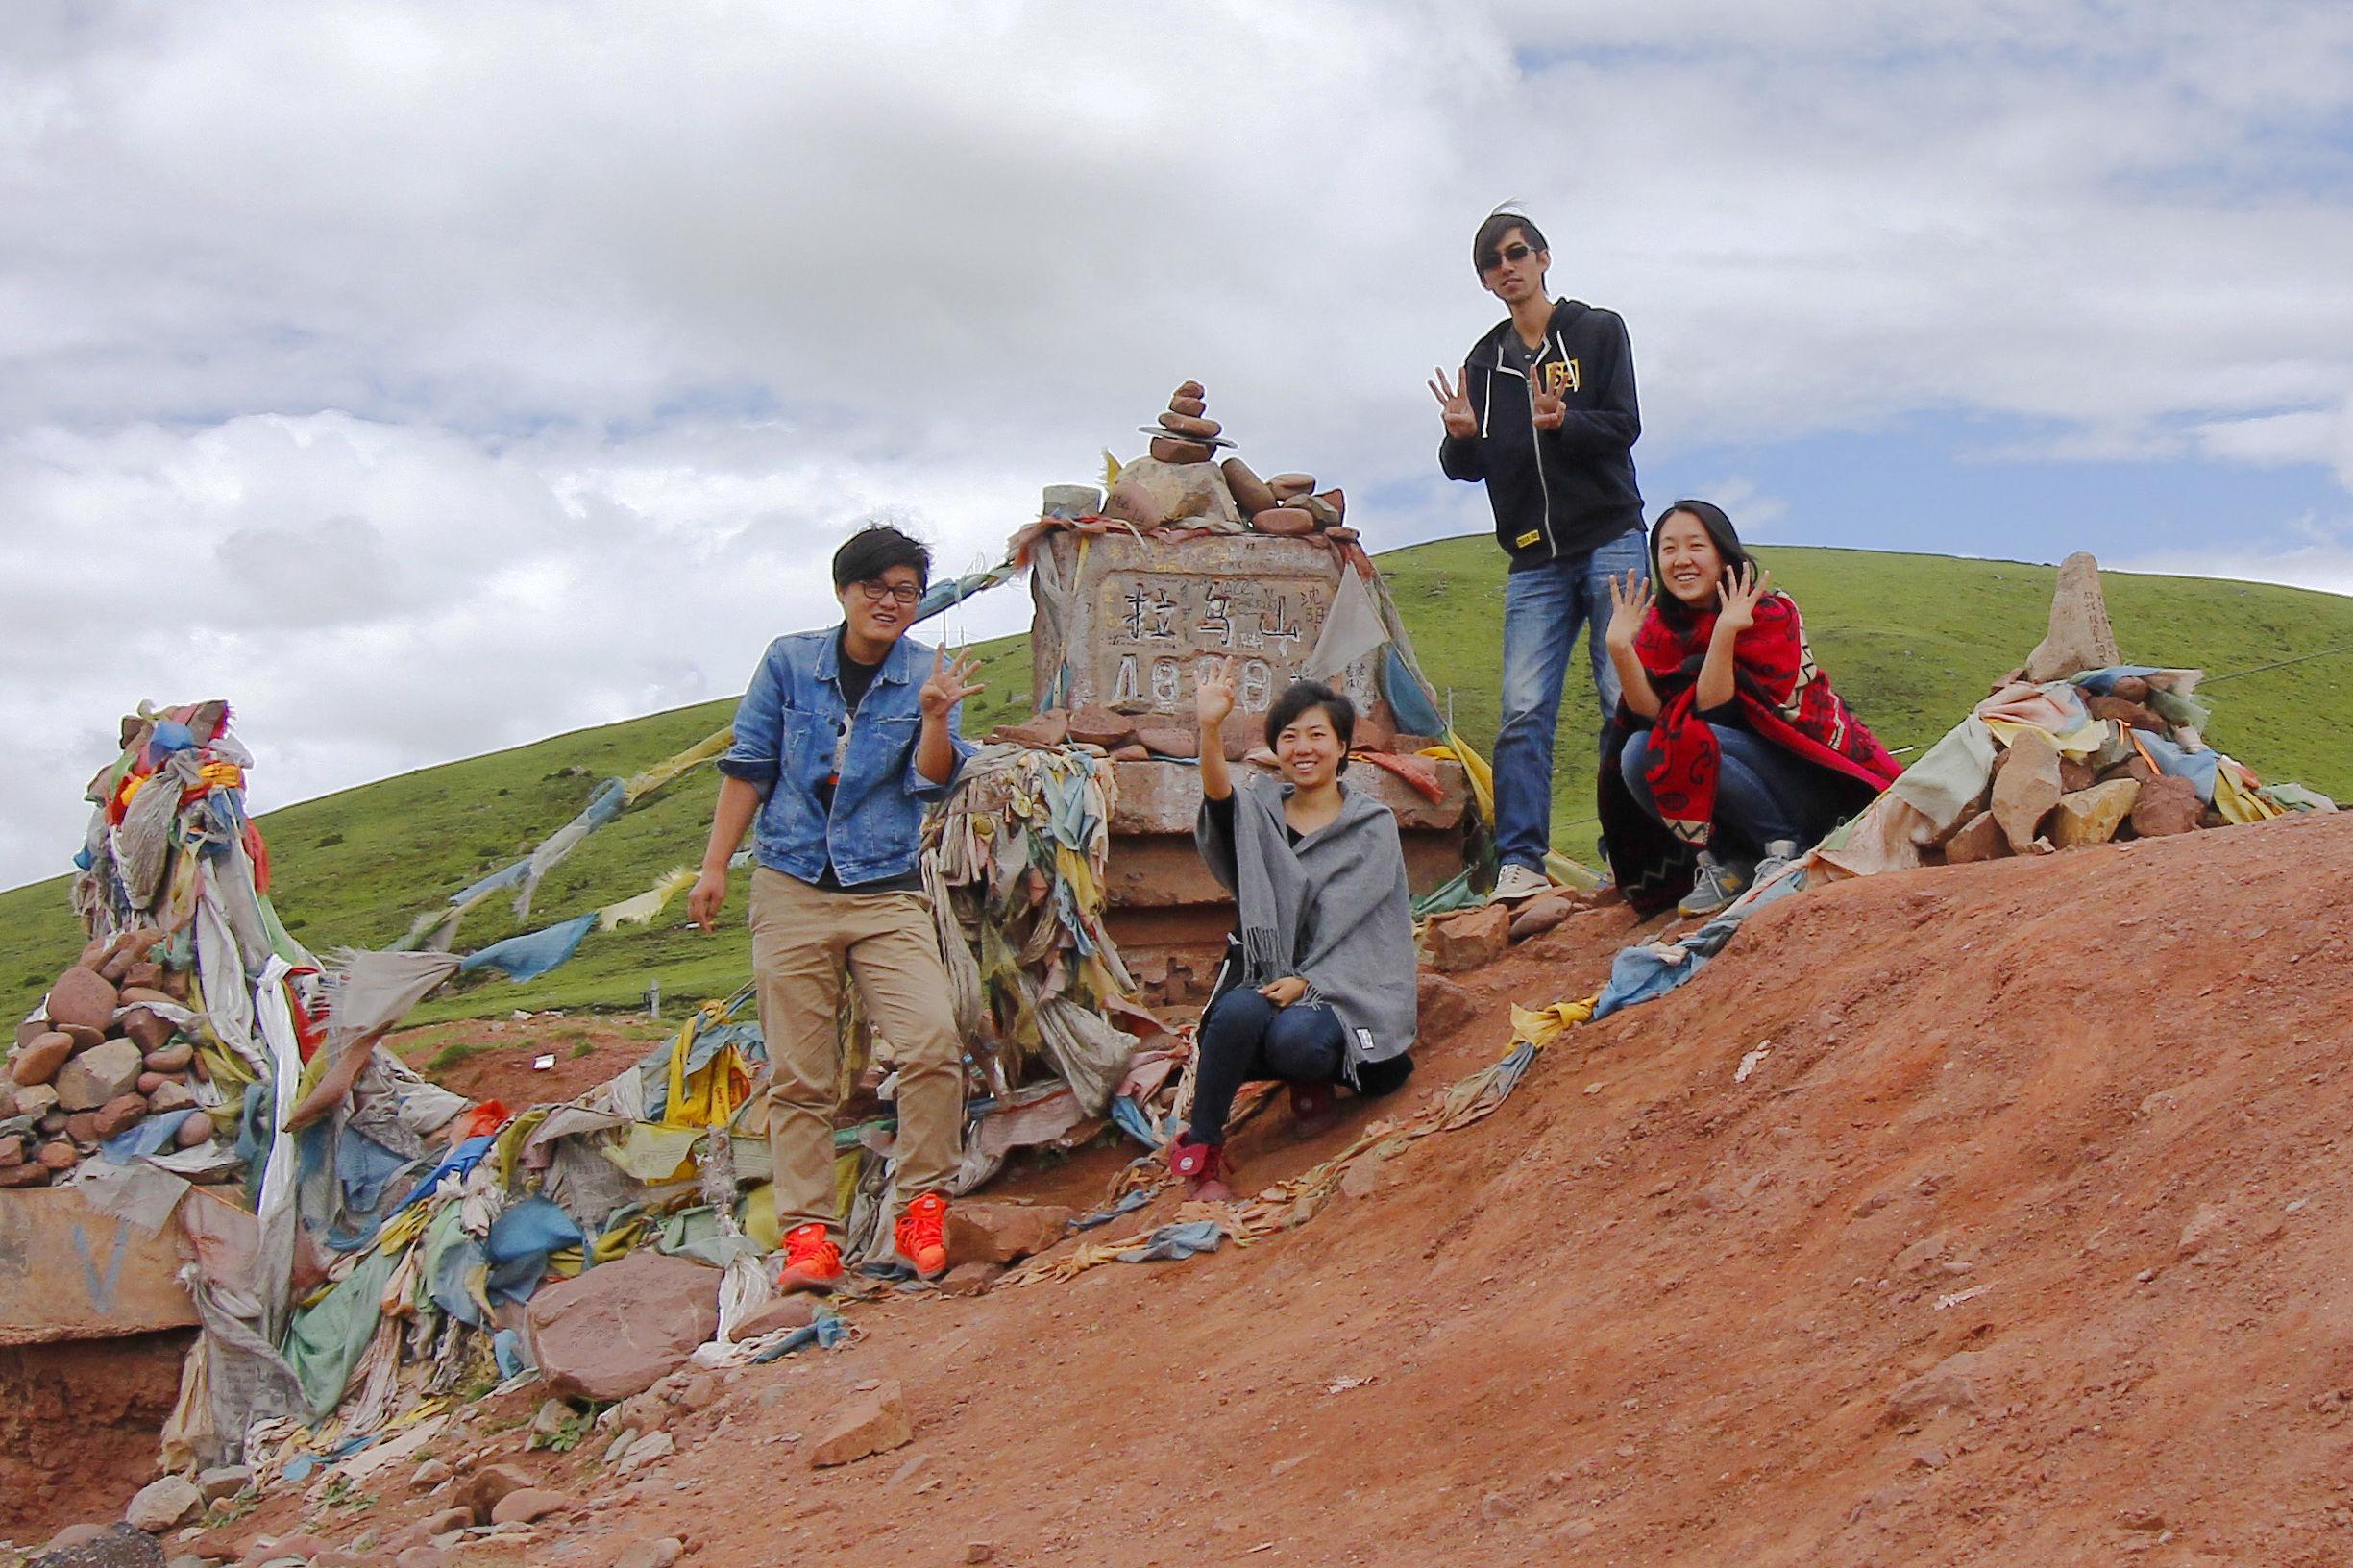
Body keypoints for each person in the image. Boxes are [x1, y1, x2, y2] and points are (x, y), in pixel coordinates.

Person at [688, 524, 983, 1290]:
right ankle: (809, 1237)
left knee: (930, 1042)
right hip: (790, 882)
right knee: (801, 1076)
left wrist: (935, 718)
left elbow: (933, 781)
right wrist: (714, 867)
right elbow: (749, 765)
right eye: (875, 589)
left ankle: (921, 1206)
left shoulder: (926, 671)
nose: (890, 603)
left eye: (906, 592)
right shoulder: (790, 663)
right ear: (844, 591)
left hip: (885, 888)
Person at [1431, 208, 1648, 906]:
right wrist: (1462, 436)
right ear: (1486, 281)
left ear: (1544, 258)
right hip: (1532, 557)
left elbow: (1624, 425)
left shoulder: (1596, 330)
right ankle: (1519, 863)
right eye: (1492, 261)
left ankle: (1638, 851)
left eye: (1517, 252)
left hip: (1611, 536)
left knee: (1624, 699)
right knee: (1523, 709)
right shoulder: (1482, 362)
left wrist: (1565, 422)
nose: (1507, 267)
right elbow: (1463, 467)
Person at [1173, 669, 1417, 1200]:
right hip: (1264, 972)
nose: (1302, 748)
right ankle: (1204, 1153)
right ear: (1275, 749)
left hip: (1345, 986)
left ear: (1343, 746)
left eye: (1316, 735)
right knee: (1234, 1016)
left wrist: (1308, 982)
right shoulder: (1259, 814)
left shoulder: (1371, 826)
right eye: (1289, 737)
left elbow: (1365, 929)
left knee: (1299, 1039)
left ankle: (1315, 1079)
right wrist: (1209, 730)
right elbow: (1220, 800)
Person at [1598, 500, 1901, 918]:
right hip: (1729, 786)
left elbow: (1714, 713)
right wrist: (1620, 650)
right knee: (1637, 751)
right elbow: (1651, 718)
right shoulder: (1659, 630)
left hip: (1811, 790)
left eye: (1695, 546)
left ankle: (1782, 849)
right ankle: (1729, 861)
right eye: (1668, 549)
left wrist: (1724, 632)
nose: (1681, 560)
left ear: (1722, 553)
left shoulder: (1770, 614)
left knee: (1692, 737)